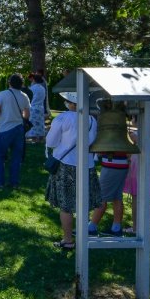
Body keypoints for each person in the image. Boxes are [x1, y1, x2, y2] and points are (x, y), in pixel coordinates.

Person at [44, 90, 98, 249]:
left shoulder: (62, 118)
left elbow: (51, 142)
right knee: (83, 203)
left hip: (65, 164)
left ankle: (68, 240)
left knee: (66, 205)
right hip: (86, 165)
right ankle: (82, 238)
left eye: (68, 101)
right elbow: (92, 141)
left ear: (73, 104)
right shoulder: (91, 120)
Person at [88, 109, 129, 237]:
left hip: (112, 165)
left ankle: (91, 227)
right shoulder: (120, 129)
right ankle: (116, 228)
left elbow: (102, 149)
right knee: (117, 198)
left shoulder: (110, 130)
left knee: (101, 198)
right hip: (122, 165)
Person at [125, 107, 150, 234]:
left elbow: (131, 142)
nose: (131, 119)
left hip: (139, 166)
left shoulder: (136, 135)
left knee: (136, 197)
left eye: (134, 117)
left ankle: (136, 228)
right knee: (149, 197)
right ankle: (146, 226)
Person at [0, 74, 31, 189]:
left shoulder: (2, 94)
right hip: (19, 129)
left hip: (4, 128)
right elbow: (27, 115)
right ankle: (14, 183)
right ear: (21, 84)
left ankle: (0, 182)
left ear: (9, 82)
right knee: (16, 157)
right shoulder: (24, 96)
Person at [27, 72, 48, 142]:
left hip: (33, 107)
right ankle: (41, 137)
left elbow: (29, 98)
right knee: (40, 123)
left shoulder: (32, 88)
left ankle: (34, 138)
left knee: (33, 123)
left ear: (34, 80)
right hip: (40, 107)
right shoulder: (42, 88)